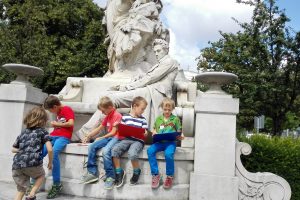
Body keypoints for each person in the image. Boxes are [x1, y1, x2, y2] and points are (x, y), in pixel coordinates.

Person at [77, 38, 179, 141]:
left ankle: (87, 134)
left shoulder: (169, 62)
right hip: (147, 90)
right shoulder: (159, 64)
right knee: (109, 99)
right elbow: (147, 76)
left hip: (153, 92)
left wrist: (127, 87)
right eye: (155, 51)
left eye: (159, 51)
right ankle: (90, 133)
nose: (156, 54)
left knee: (112, 99)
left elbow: (150, 78)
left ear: (166, 50)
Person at [81, 96, 122, 190]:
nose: (102, 113)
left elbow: (113, 132)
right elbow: (99, 128)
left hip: (116, 137)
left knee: (106, 151)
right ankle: (92, 173)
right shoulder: (107, 116)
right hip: (109, 137)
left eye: (103, 111)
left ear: (110, 107)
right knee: (92, 146)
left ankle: (110, 177)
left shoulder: (117, 115)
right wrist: (88, 136)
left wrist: (101, 137)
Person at [12, 107, 53, 200]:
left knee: (21, 189)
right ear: (43, 120)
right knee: (41, 175)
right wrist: (50, 163)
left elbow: (13, 149)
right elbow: (50, 149)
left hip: (17, 164)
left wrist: (23, 150)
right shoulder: (43, 132)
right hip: (32, 162)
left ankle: (28, 195)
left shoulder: (23, 133)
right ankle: (31, 194)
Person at [147, 97, 184, 189]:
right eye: (165, 109)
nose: (167, 111)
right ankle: (155, 175)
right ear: (162, 108)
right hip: (159, 142)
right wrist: (154, 132)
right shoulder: (158, 119)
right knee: (150, 151)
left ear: (172, 109)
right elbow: (155, 129)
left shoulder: (175, 119)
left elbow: (179, 131)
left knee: (168, 154)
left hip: (170, 143)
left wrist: (180, 136)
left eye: (169, 109)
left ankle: (169, 176)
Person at [111, 96, 148, 187]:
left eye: (144, 110)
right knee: (114, 150)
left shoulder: (143, 120)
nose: (143, 111)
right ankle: (119, 172)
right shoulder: (125, 117)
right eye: (142, 109)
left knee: (132, 154)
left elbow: (145, 132)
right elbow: (121, 129)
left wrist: (146, 134)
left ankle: (136, 171)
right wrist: (117, 126)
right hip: (127, 139)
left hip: (138, 141)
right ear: (135, 106)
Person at [43, 95, 75, 199]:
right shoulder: (58, 111)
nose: (51, 112)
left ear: (55, 106)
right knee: (41, 151)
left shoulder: (66, 109)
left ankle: (56, 184)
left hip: (64, 136)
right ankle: (34, 180)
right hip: (53, 135)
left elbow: (71, 123)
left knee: (55, 151)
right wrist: (55, 125)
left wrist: (57, 123)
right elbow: (61, 123)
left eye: (50, 110)